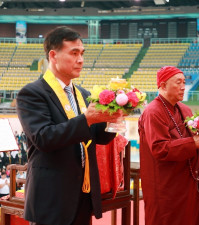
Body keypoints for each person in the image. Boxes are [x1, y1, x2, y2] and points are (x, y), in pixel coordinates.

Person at [16, 26, 122, 225]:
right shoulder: (32, 93)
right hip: (52, 196)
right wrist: (87, 119)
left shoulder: (82, 93)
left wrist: (112, 120)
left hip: (83, 193)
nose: (80, 60)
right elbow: (44, 138)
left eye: (82, 53)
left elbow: (97, 136)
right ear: (53, 56)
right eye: (74, 53)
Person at [138, 66, 199, 225]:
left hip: (189, 180)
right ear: (163, 85)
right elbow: (160, 148)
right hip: (166, 185)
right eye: (178, 82)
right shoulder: (153, 112)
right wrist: (193, 142)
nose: (183, 87)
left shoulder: (185, 109)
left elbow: (194, 142)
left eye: (184, 82)